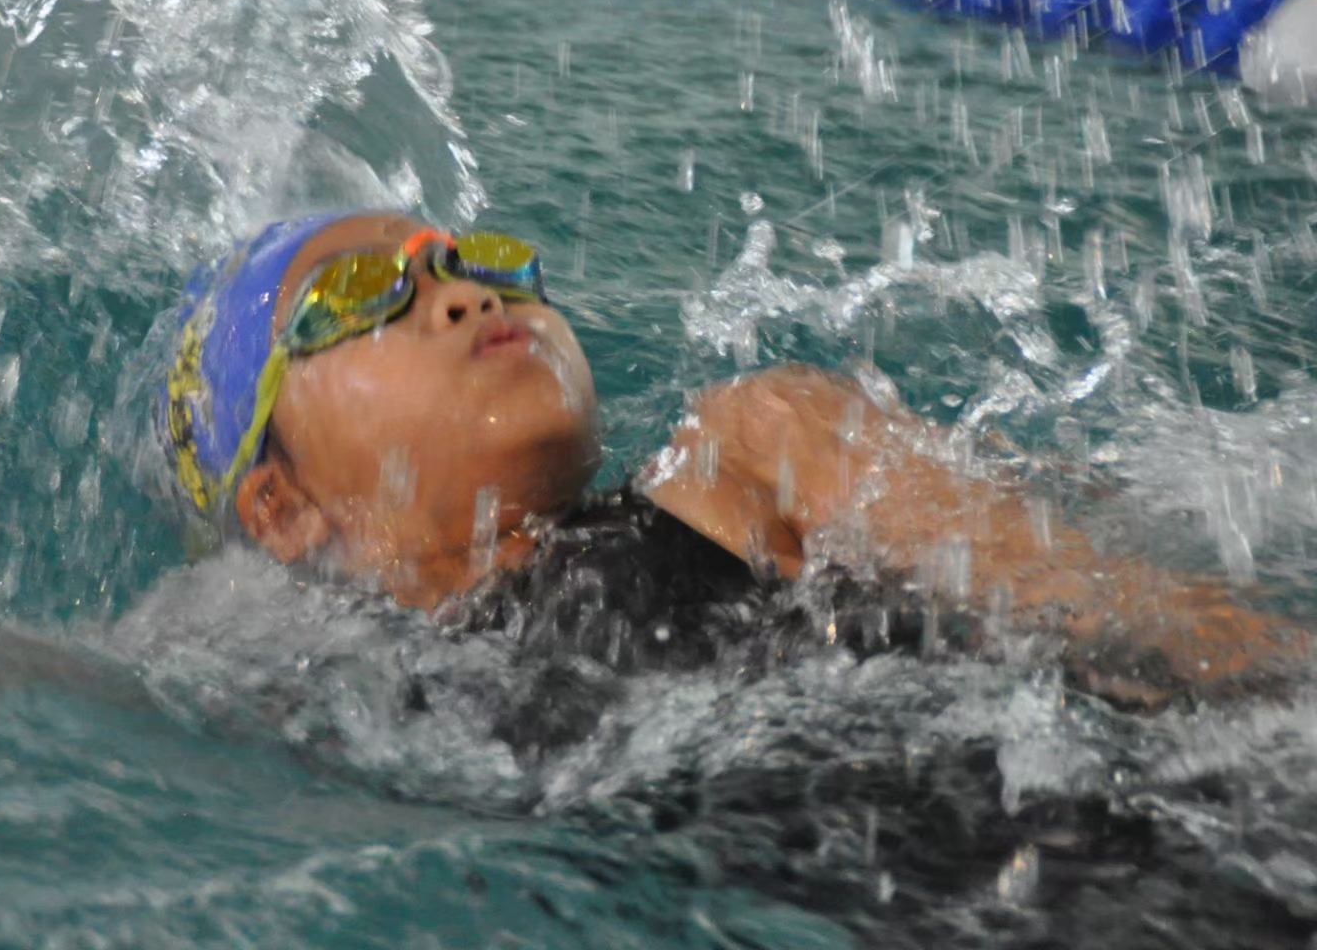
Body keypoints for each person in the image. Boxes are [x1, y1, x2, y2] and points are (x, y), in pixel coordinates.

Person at [160, 208, 1308, 711]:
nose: (461, 295)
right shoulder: (341, 687)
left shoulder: (750, 452)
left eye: (471, 259)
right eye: (361, 294)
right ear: (279, 507)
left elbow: (1168, 633)